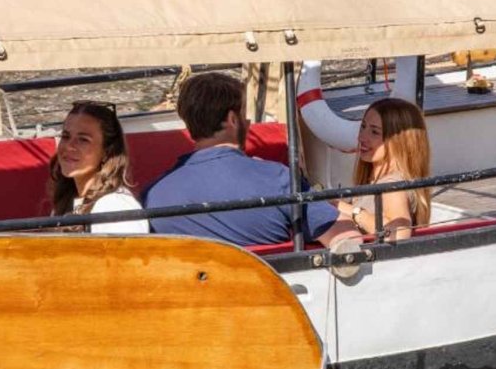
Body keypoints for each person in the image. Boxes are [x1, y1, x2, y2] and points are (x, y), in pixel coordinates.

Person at [146, 72, 361, 248]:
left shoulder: (153, 195)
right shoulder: (277, 179)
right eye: (243, 114)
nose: (247, 121)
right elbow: (345, 238)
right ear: (232, 120)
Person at [46, 100, 149, 233]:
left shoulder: (116, 207)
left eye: (83, 140)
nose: (69, 146)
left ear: (107, 151)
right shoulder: (66, 203)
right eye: (65, 136)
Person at [337, 99, 432, 240]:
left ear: (399, 141)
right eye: (363, 127)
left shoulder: (392, 186)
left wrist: (352, 211)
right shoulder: (378, 180)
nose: (362, 137)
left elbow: (398, 235)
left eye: (374, 132)